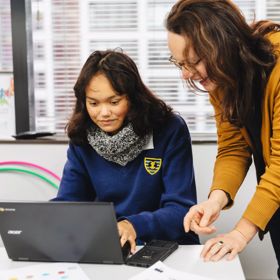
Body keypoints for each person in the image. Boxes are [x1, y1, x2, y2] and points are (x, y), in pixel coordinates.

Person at [166, 0, 280, 277]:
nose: (186, 74)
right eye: (180, 63)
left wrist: (240, 234)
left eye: (192, 62)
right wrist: (215, 200)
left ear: (222, 46)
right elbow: (233, 147)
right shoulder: (223, 76)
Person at [54, 49, 199, 253]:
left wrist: (133, 225)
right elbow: (70, 203)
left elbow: (181, 209)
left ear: (133, 98)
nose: (104, 113)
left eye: (114, 102)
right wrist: (45, 220)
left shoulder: (169, 129)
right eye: (93, 103)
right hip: (112, 247)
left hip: (170, 247)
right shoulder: (82, 137)